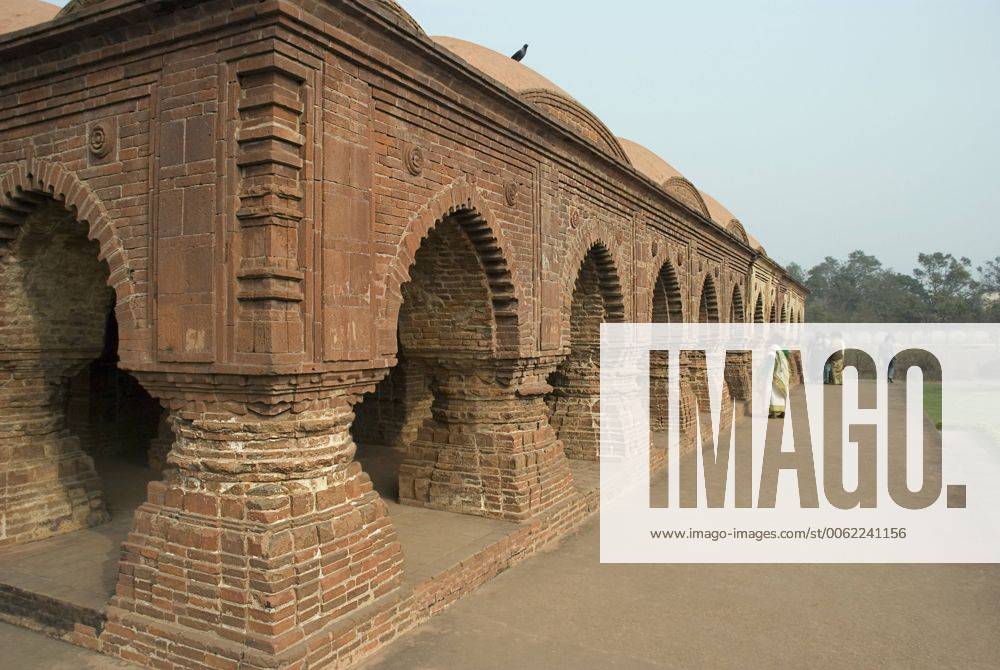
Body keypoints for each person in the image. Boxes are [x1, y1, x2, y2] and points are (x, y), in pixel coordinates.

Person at [769, 346, 790, 418]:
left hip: (776, 376)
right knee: (782, 395)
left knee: (773, 393)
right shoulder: (782, 354)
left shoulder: (773, 353)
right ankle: (783, 412)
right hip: (784, 376)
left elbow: (770, 364)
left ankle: (774, 413)